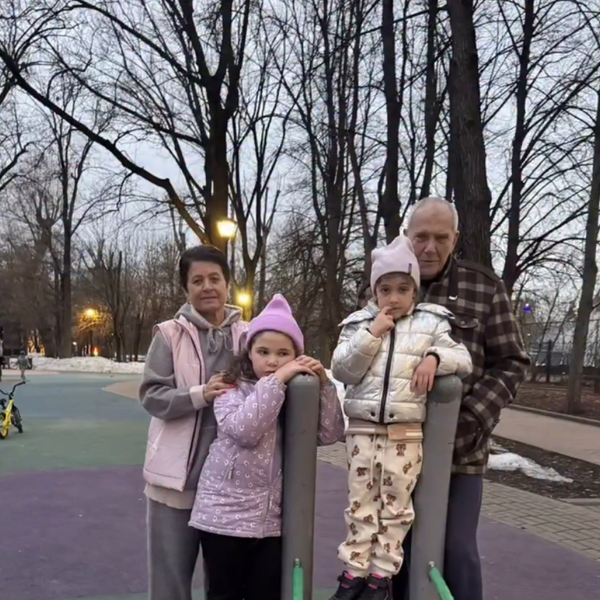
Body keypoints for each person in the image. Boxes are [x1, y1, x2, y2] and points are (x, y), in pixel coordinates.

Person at [382, 197, 530, 600]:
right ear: (406, 236)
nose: (430, 248)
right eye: (421, 237)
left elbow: (512, 362)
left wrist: (468, 421)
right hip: (395, 451)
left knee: (456, 551)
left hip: (459, 455)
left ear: (456, 239)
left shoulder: (484, 288)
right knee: (393, 553)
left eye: (441, 238)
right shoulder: (386, 285)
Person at [328, 234, 472, 600]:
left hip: (405, 434)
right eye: (386, 289)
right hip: (363, 431)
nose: (394, 298)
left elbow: (463, 358)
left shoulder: (431, 323)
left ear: (415, 291)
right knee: (361, 503)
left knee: (395, 506)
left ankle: (381, 576)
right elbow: (342, 369)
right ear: (374, 292)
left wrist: (435, 358)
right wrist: (371, 334)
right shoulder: (358, 324)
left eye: (403, 289)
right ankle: (354, 571)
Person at [189, 294, 345, 600]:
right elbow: (245, 431)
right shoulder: (230, 387)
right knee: (224, 593)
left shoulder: (295, 391)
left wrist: (324, 386)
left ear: (296, 355)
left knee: (266, 592)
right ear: (249, 352)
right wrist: (278, 380)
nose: (272, 361)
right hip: (224, 517)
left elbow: (330, 434)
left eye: (283, 353)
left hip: (270, 521)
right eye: (263, 352)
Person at [139, 245, 249, 600]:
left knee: (227, 585)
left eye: (215, 278)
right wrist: (200, 394)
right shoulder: (169, 334)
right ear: (185, 288)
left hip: (231, 489)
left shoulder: (248, 335)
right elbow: (152, 396)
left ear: (228, 284)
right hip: (177, 483)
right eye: (197, 281)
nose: (207, 287)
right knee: (170, 583)